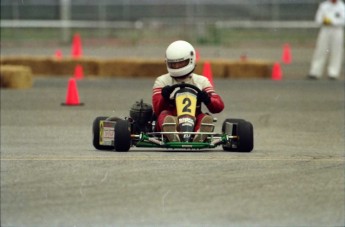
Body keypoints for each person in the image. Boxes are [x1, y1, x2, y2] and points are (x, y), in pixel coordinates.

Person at [152, 40, 224, 142]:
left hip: (194, 118)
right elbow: (157, 110)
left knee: (204, 117)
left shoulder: (201, 81)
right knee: (164, 115)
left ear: (191, 60)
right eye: (173, 64)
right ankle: (172, 132)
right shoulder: (162, 81)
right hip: (172, 117)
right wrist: (164, 97)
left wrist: (207, 99)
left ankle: (200, 132)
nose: (176, 67)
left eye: (180, 63)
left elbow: (219, 107)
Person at [308, 0, 345, 80]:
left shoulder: (341, 6)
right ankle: (315, 72)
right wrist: (324, 21)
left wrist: (333, 22)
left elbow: (343, 20)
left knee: (336, 51)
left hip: (337, 30)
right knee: (321, 50)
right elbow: (318, 18)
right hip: (325, 29)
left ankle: (333, 73)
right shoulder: (324, 5)